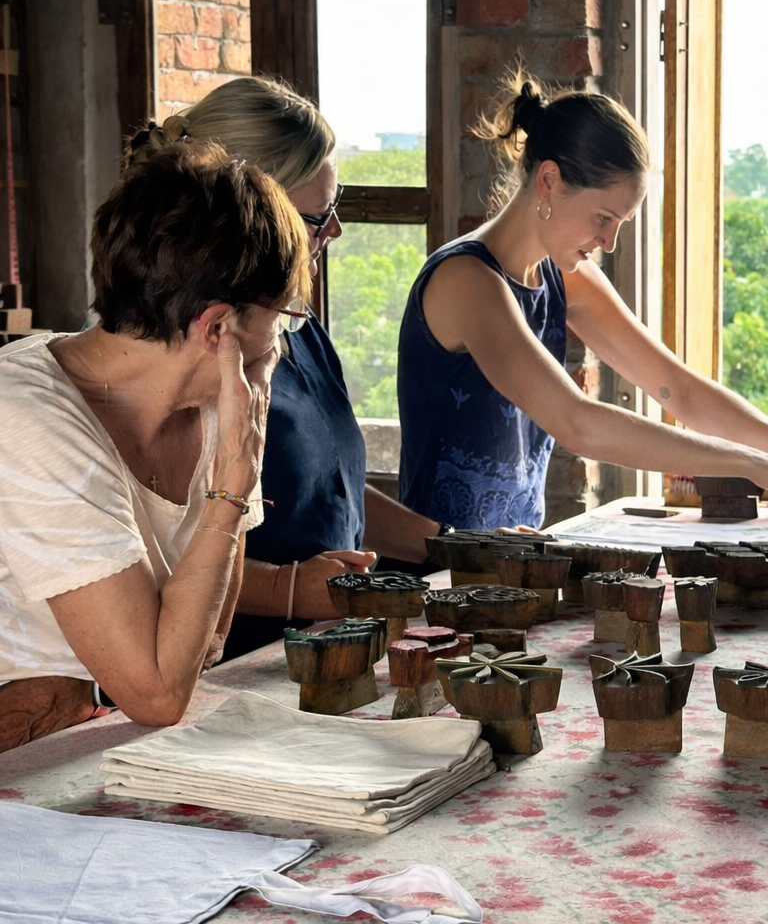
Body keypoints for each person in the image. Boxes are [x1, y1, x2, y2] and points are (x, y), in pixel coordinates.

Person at [397, 73, 768, 535]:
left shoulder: (566, 277)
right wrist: (756, 466)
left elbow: (678, 390)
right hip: (431, 583)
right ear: (548, 180)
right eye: (603, 217)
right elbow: (577, 422)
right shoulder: (467, 280)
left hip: (508, 579)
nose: (608, 241)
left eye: (620, 222)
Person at [129, 76, 453, 659]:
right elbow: (151, 554)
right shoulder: (183, 351)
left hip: (327, 651)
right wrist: (287, 590)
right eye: (316, 215)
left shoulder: (295, 327)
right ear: (246, 213)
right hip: (239, 669)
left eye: (337, 205)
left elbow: (332, 492)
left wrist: (451, 545)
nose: (336, 230)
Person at [0, 141, 306, 751]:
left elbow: (206, 643)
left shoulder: (219, 399)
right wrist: (231, 489)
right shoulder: (25, 416)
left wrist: (95, 685)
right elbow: (159, 692)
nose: (282, 342)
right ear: (217, 327)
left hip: (92, 744)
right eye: (282, 319)